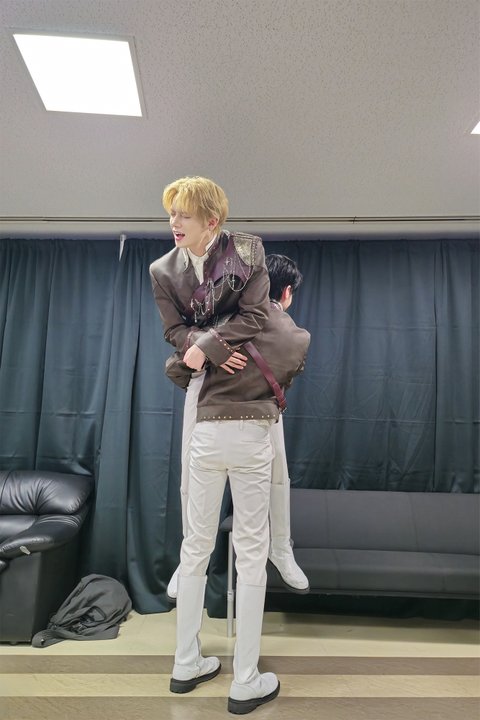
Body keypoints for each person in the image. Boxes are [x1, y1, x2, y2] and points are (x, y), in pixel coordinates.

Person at [149, 176, 308, 599]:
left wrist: (211, 343)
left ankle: (281, 548)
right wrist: (209, 348)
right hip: (208, 377)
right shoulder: (164, 270)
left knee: (278, 470)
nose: (174, 222)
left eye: (184, 215)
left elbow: (256, 317)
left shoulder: (247, 253)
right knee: (190, 468)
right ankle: (190, 558)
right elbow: (174, 330)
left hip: (255, 387)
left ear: (211, 221)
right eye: (172, 214)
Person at [169, 255, 310, 714]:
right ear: (286, 292)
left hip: (206, 435)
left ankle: (185, 664)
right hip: (252, 437)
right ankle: (245, 680)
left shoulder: (217, 322)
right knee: (251, 555)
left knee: (195, 546)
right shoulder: (296, 336)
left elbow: (177, 367)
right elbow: (282, 380)